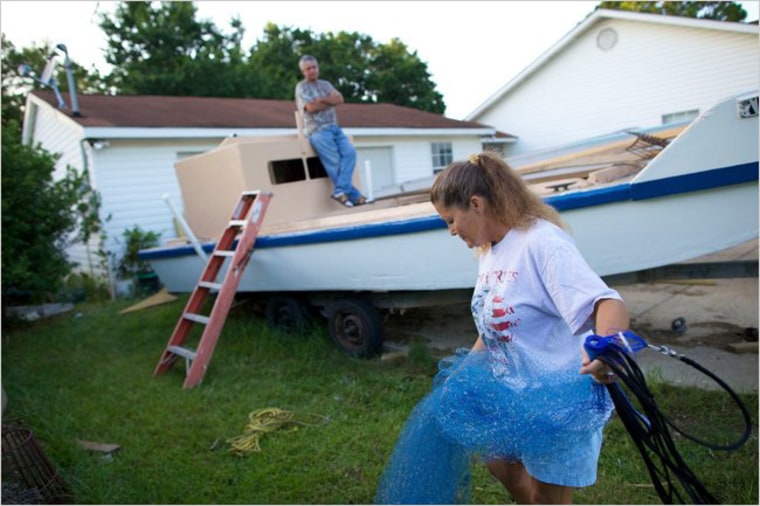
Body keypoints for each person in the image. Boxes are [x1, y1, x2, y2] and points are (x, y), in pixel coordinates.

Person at [375, 152, 630, 504]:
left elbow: (607, 302)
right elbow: (494, 327)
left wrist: (608, 350)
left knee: (547, 497)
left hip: (558, 402)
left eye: (450, 220)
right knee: (501, 466)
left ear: (475, 204)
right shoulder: (491, 251)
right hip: (512, 395)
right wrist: (461, 374)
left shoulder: (543, 243)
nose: (451, 231)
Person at [295, 55, 367, 208]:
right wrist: (329, 101)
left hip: (334, 127)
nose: (312, 71)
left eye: (314, 67)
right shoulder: (302, 87)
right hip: (318, 131)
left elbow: (339, 99)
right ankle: (354, 196)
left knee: (350, 153)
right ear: (303, 71)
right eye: (308, 69)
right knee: (334, 162)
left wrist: (322, 101)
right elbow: (311, 108)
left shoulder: (325, 84)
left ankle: (340, 191)